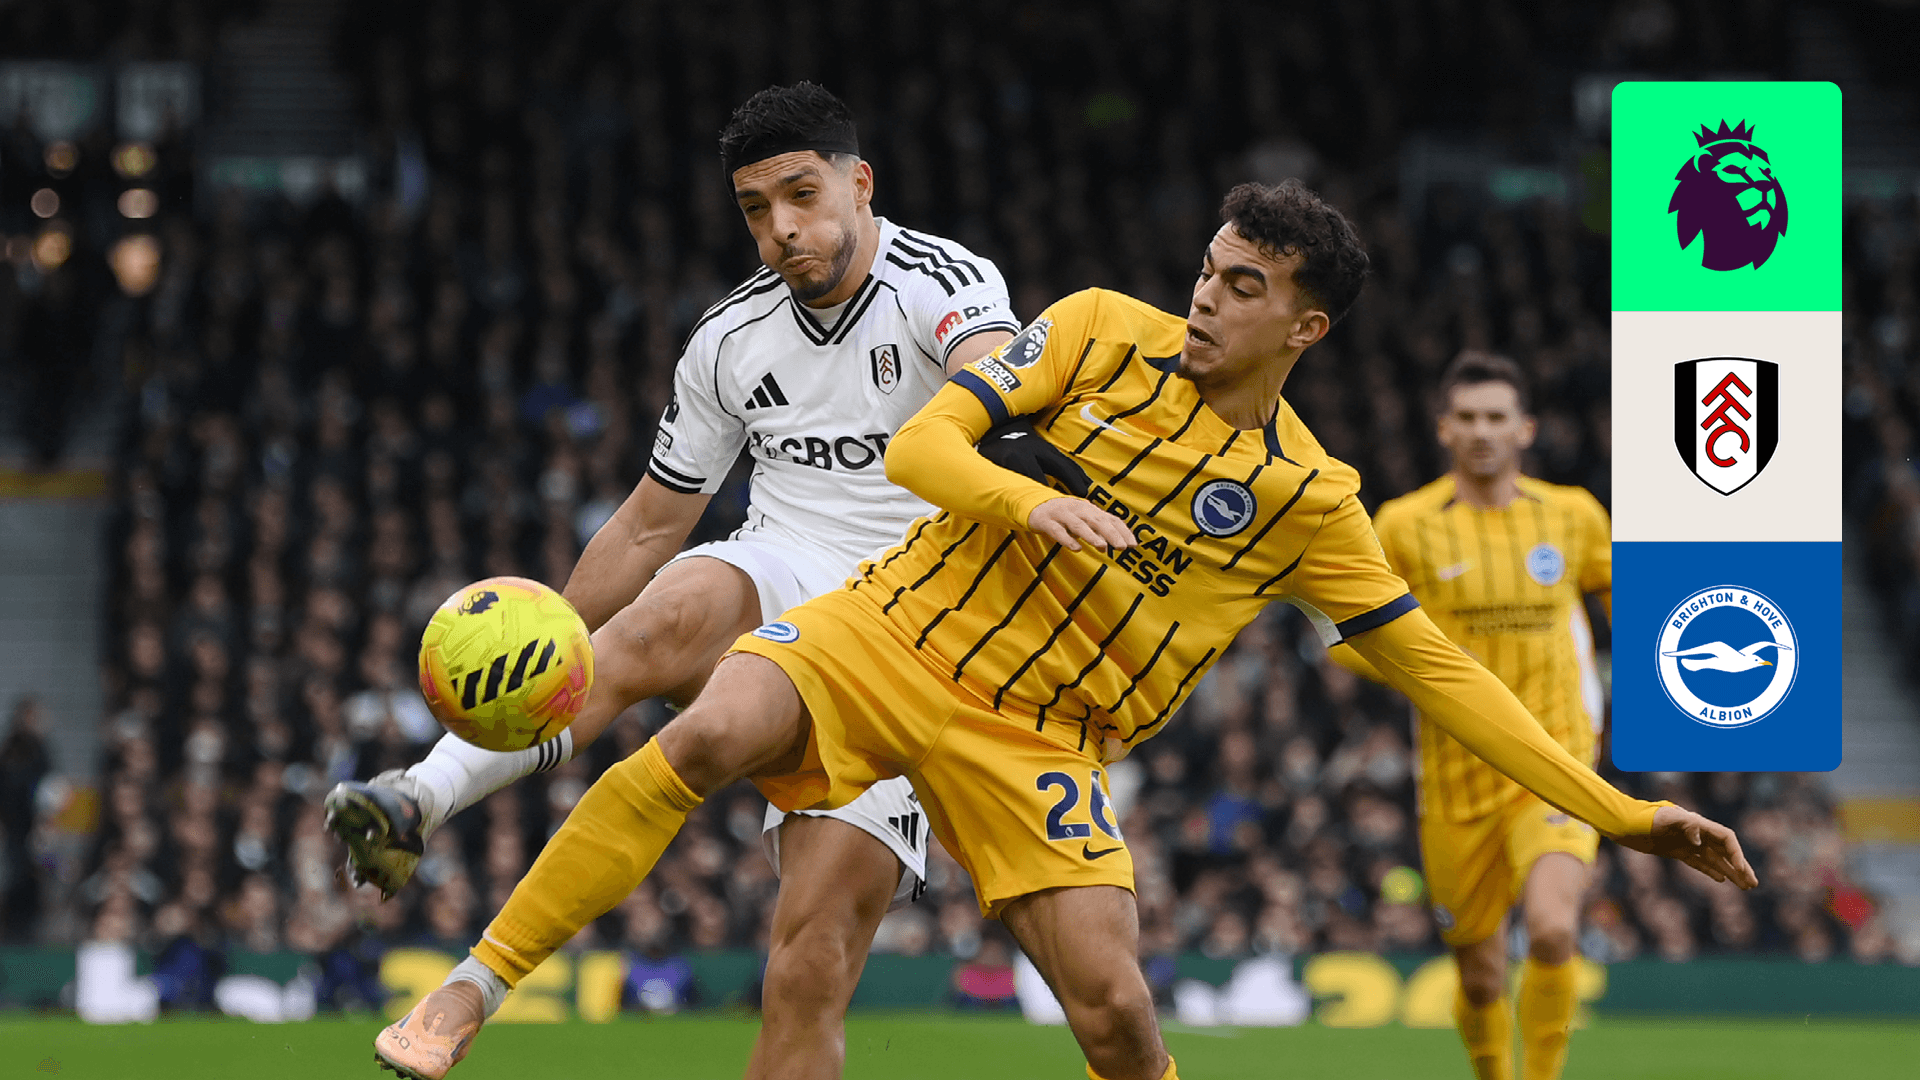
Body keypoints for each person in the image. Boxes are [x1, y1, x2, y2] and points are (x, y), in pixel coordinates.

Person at [377, 180, 1755, 1080]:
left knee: (1116, 1018)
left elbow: (1442, 674)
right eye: (1209, 269)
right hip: (895, 629)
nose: (1207, 296)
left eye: (1245, 286)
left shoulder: (1313, 503)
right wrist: (1027, 503)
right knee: (707, 732)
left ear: (1307, 326)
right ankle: (465, 997)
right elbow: (923, 448)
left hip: (1042, 737)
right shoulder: (1095, 331)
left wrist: (1621, 812)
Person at [344, 82, 1020, 1080]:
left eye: (801, 195)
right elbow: (650, 524)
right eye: (755, 208)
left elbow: (1002, 387)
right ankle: (419, 803)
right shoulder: (730, 337)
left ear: (860, 183)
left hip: (914, 625)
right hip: (783, 560)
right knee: (655, 625)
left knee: (807, 976)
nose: (781, 228)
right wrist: (545, 640)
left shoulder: (942, 283)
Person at [1330, 352, 1610, 1080]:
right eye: (1468, 418)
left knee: (1552, 929)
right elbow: (1348, 638)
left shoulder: (1573, 515)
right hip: (1456, 779)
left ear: (1526, 429)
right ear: (1444, 429)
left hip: (1554, 761)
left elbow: (1626, 604)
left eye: (1497, 417)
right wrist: (1428, 671)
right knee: (1481, 974)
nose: (1483, 431)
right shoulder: (1405, 524)